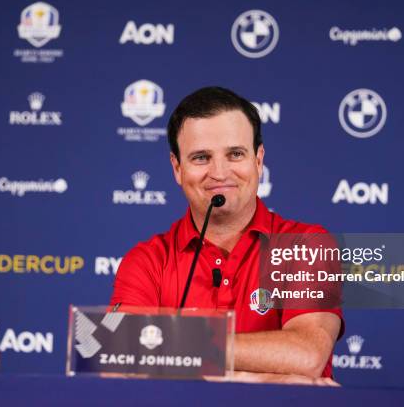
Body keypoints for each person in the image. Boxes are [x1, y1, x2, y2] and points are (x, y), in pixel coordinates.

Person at [110, 86, 343, 382]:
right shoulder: (146, 261)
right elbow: (120, 361)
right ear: (177, 168)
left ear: (258, 160)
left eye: (235, 154)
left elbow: (307, 355)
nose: (219, 173)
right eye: (201, 157)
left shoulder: (307, 245)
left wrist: (175, 348)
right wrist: (267, 379)